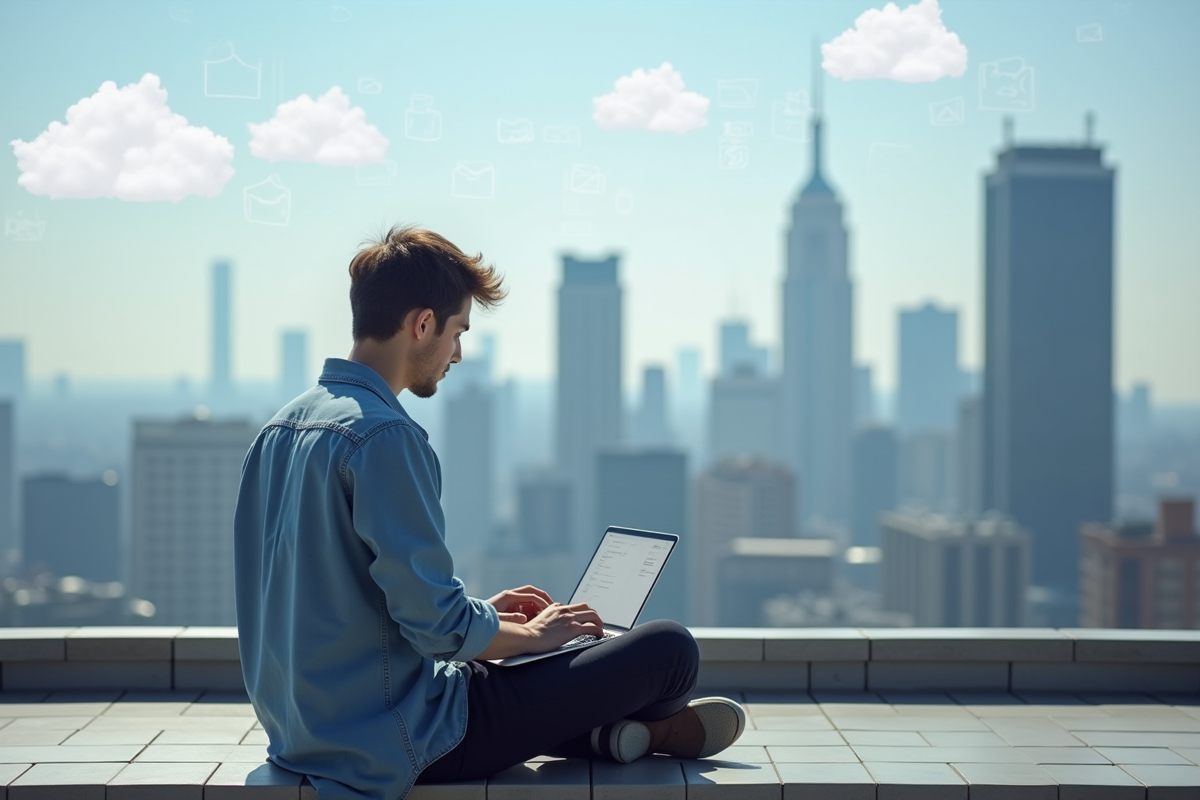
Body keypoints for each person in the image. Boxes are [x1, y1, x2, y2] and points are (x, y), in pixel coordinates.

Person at [234, 225, 745, 800]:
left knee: (536, 661)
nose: (457, 354)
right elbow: (437, 628)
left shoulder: (278, 430)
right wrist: (530, 636)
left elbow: (347, 604)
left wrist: (492, 617)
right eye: (457, 333)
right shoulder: (384, 438)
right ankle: (648, 731)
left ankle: (607, 737)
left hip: (302, 732)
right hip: (400, 736)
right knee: (669, 651)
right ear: (422, 324)